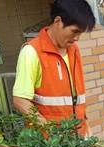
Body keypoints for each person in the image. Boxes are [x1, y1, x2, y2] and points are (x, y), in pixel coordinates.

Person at [12, 0, 95, 136]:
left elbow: (76, 99)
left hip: (77, 140)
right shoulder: (32, 52)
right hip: (49, 146)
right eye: (74, 31)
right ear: (58, 21)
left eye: (81, 33)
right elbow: (20, 101)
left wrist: (87, 131)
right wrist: (54, 134)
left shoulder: (73, 50)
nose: (77, 38)